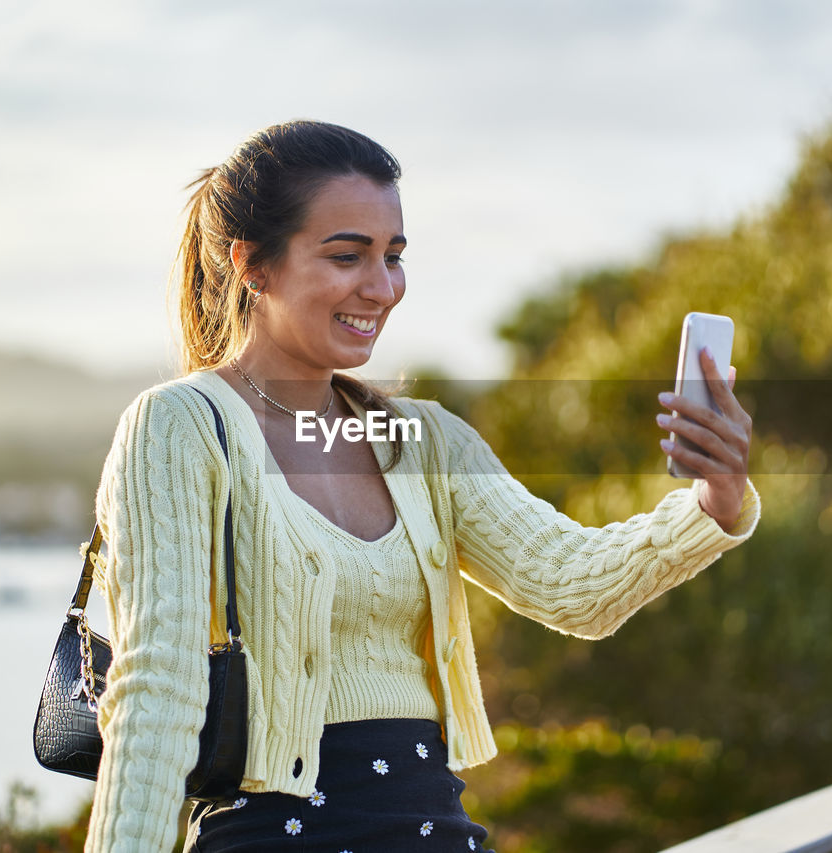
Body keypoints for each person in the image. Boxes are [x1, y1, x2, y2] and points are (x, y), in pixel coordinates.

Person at [83, 120, 760, 853]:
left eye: (394, 256)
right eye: (348, 256)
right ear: (254, 265)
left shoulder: (422, 438)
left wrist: (714, 502)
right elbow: (157, 693)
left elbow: (573, 585)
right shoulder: (180, 425)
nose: (381, 288)